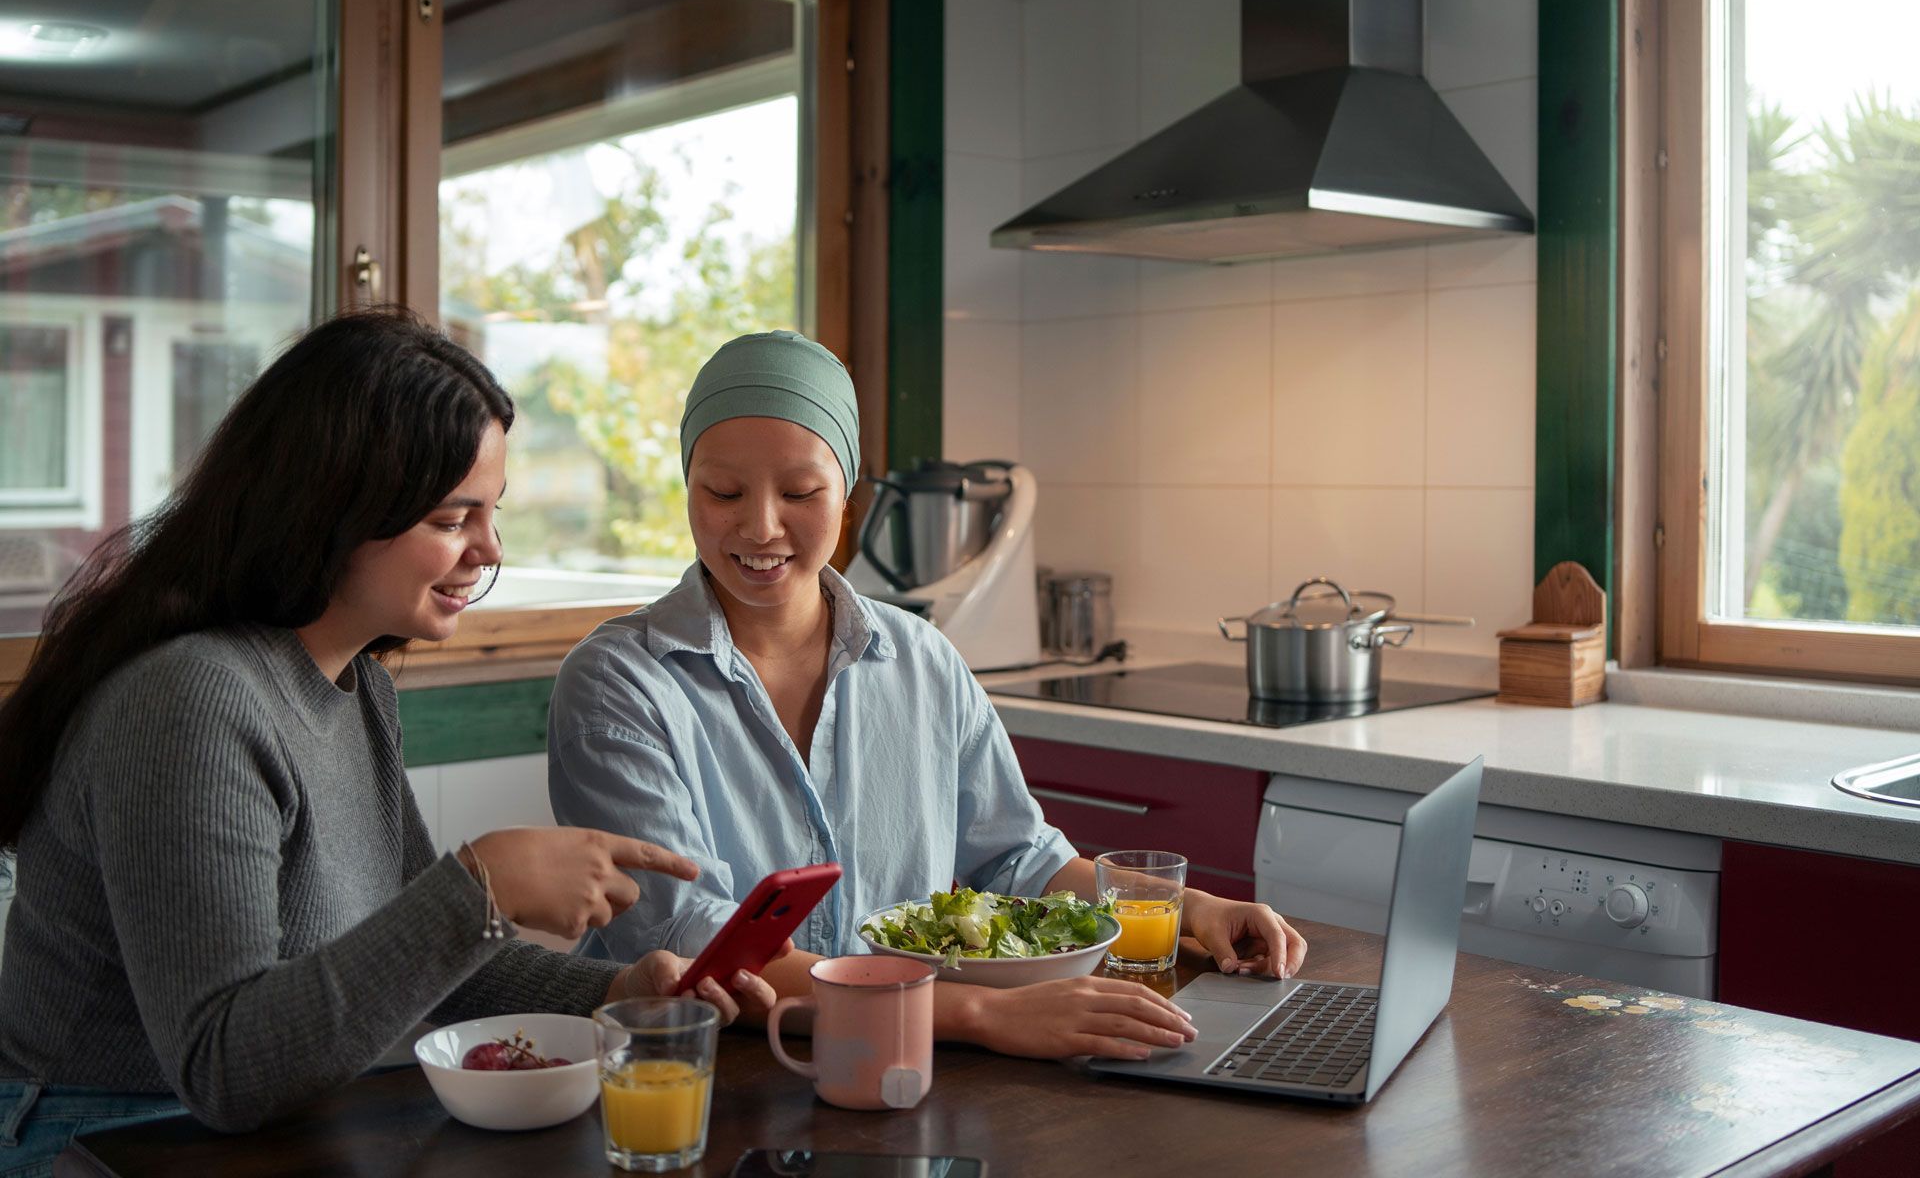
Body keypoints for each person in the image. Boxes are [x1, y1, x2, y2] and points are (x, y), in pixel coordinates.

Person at [0, 308, 773, 1176]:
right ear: (333, 508)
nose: (489, 548)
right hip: (98, 1140)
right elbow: (223, 1067)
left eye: (491, 512)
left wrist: (615, 993)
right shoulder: (191, 702)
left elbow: (425, 961)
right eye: (453, 518)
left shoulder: (355, 684)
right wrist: (484, 882)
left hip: (264, 1132)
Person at [548, 330, 1308, 1062]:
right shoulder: (620, 683)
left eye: (801, 491)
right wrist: (985, 1013)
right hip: (709, 1073)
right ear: (686, 483)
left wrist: (1190, 910)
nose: (760, 524)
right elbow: (696, 946)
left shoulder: (919, 658)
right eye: (722, 490)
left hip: (901, 1066)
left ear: (847, 493)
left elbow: (1017, 856)